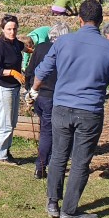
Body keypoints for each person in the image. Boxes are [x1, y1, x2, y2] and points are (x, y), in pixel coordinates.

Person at [28, 0, 109, 218]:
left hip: (61, 108)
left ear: (79, 20)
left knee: (59, 155)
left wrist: (33, 91)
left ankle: (53, 202)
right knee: (80, 162)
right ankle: (68, 212)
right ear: (101, 22)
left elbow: (43, 70)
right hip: (90, 112)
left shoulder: (63, 42)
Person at [24, 22, 70, 179]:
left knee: (46, 129)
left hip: (39, 96)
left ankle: (48, 162)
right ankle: (41, 167)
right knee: (49, 132)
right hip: (53, 97)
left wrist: (29, 91)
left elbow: (29, 71)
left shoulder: (41, 47)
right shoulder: (65, 51)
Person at [0, 14, 25, 164]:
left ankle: (5, 151)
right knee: (5, 124)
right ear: (2, 29)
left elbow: (24, 47)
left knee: (12, 122)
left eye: (15, 29)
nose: (12, 32)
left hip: (14, 88)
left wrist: (33, 50)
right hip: (3, 89)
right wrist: (12, 72)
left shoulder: (15, 43)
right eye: (9, 29)